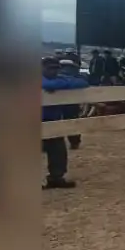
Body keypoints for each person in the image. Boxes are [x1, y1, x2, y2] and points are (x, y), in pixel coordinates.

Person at [41, 57, 88, 189]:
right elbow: (47, 84)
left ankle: (56, 178)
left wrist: (59, 83)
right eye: (50, 68)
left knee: (58, 150)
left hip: (53, 119)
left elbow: (83, 82)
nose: (54, 71)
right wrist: (62, 84)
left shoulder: (59, 78)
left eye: (56, 69)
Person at [58, 59, 85, 149]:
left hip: (71, 104)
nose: (65, 70)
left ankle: (74, 142)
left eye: (68, 67)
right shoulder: (53, 78)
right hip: (56, 105)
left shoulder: (77, 79)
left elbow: (82, 84)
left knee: (72, 122)